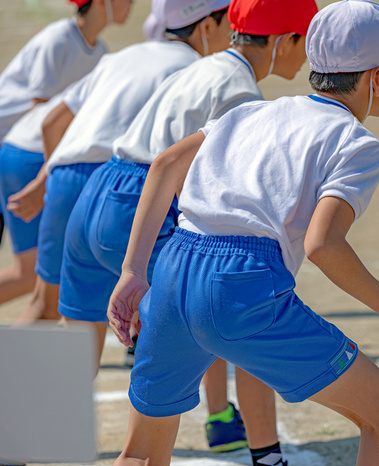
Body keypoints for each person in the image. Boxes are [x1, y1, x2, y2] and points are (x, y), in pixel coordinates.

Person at [107, 1, 379, 464]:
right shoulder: (356, 144)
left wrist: (133, 271)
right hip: (240, 284)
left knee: (143, 453)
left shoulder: (251, 112)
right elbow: (322, 243)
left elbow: (165, 165)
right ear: (376, 77)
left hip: (173, 268)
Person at [58, 0, 317, 457]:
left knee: (76, 353)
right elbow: (180, 174)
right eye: (306, 39)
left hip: (98, 191)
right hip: (142, 200)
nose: (310, 55)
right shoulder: (241, 94)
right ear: (283, 42)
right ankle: (257, 446)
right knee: (233, 311)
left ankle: (12, 440)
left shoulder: (205, 66)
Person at [9, 0, 231, 327]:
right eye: (229, 21)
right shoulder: (199, 69)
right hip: (124, 186)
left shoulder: (124, 55)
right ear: (206, 25)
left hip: (67, 178)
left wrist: (45, 183)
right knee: (179, 317)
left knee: (47, 307)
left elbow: (52, 123)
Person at [0, 0, 127, 308]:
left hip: (27, 154)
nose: (133, 5)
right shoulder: (59, 39)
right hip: (22, 152)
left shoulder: (100, 52)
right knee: (31, 274)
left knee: (36, 275)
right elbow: (40, 116)